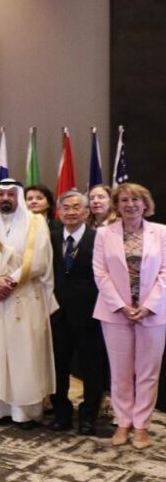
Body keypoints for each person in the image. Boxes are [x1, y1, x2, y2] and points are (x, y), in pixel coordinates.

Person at [0, 179, 57, 428]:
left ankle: (24, 412)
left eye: (10, 194)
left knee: (24, 355)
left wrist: (10, 282)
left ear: (18, 197)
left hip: (24, 298)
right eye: (1, 194)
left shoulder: (35, 223)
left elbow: (39, 259)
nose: (5, 198)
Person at [92, 183, 166, 450]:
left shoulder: (162, 232)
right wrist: (122, 306)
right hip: (115, 313)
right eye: (124, 200)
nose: (130, 204)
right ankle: (123, 423)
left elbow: (165, 272)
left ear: (145, 204)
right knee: (120, 372)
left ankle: (142, 426)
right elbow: (100, 273)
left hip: (153, 313)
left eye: (136, 199)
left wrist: (149, 305)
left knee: (148, 372)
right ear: (117, 205)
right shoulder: (104, 234)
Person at [50, 190, 107, 436]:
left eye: (76, 207)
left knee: (91, 367)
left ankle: (88, 417)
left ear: (86, 212)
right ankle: (61, 414)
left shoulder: (99, 238)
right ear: (59, 212)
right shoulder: (50, 238)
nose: (71, 212)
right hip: (57, 313)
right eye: (66, 208)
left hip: (89, 314)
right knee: (58, 366)